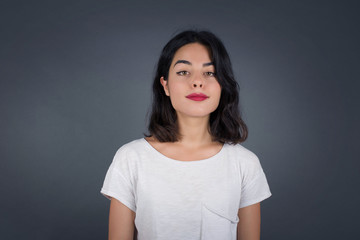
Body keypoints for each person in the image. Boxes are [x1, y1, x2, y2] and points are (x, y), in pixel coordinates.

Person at [100, 29, 272, 240]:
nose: (197, 82)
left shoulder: (245, 163)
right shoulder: (131, 159)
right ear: (165, 85)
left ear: (223, 85)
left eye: (210, 73)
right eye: (183, 72)